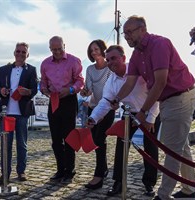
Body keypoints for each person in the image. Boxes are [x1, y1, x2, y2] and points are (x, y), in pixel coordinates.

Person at [115, 15, 195, 200]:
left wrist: (143, 111)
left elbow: (160, 82)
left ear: (142, 29)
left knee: (171, 149)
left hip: (181, 96)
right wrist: (115, 99)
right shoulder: (137, 54)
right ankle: (189, 190)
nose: (126, 36)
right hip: (168, 100)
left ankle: (163, 195)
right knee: (180, 146)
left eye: (130, 32)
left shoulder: (160, 44)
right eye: (124, 32)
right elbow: (129, 83)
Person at [86, 45, 160, 196]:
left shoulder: (138, 72)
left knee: (150, 147)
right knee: (121, 146)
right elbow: (105, 102)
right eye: (108, 60)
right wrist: (93, 118)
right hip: (129, 114)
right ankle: (118, 182)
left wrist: (151, 118)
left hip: (149, 111)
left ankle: (149, 183)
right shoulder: (111, 80)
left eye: (114, 58)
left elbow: (155, 94)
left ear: (124, 58)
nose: (110, 62)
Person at [40, 36, 84, 182]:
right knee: (56, 138)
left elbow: (80, 81)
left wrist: (71, 90)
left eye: (59, 49)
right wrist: (45, 90)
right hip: (53, 100)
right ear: (50, 48)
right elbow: (43, 82)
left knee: (69, 137)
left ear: (64, 46)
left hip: (69, 100)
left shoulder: (74, 61)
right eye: (54, 50)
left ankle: (69, 170)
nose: (57, 52)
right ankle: (60, 169)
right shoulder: (45, 63)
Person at [0, 42, 38, 183]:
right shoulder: (3, 69)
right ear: (14, 53)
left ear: (27, 55)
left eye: (23, 52)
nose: (20, 54)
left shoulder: (31, 70)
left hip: (22, 113)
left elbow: (34, 90)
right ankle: (5, 173)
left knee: (22, 144)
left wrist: (28, 92)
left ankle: (21, 171)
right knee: (5, 145)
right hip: (6, 113)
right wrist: (1, 91)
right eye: (18, 51)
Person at [79, 39, 114, 189]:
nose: (94, 52)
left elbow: (114, 88)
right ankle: (104, 168)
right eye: (91, 50)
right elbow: (89, 90)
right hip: (94, 108)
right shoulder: (90, 69)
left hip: (107, 108)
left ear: (103, 50)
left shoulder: (110, 68)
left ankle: (99, 174)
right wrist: (84, 92)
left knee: (100, 138)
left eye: (96, 49)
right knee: (96, 140)